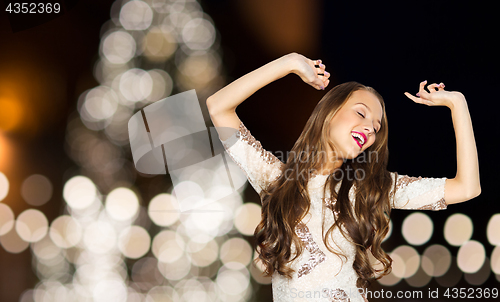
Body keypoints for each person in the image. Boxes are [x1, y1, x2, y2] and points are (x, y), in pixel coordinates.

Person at [206, 52, 481, 302]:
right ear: (329, 113)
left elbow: (467, 188)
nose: (370, 129)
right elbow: (218, 106)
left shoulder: (369, 189)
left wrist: (458, 104)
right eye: (361, 113)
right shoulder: (276, 179)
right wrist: (289, 63)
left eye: (376, 127)